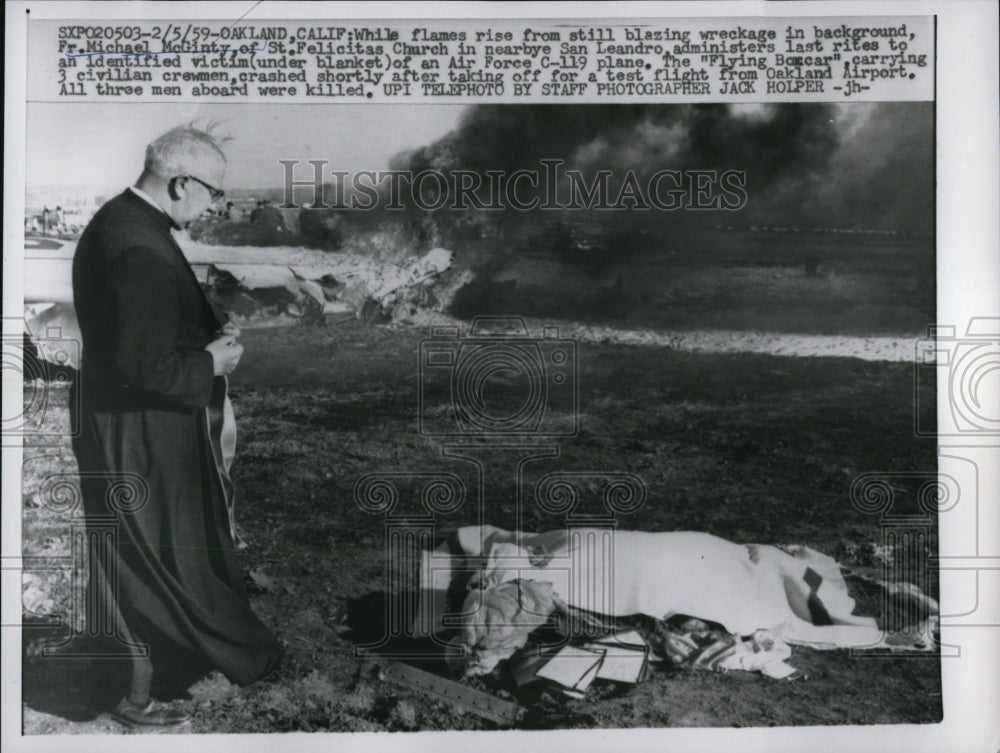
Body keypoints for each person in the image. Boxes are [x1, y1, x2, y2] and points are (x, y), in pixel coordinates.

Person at [70, 125, 283, 729]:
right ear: (181, 181)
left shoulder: (126, 222)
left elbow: (139, 338)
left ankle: (141, 680)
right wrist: (210, 362)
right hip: (136, 428)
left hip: (126, 419)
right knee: (153, 553)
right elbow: (143, 365)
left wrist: (203, 338)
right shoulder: (138, 245)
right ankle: (140, 690)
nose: (216, 207)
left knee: (138, 548)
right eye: (213, 194)